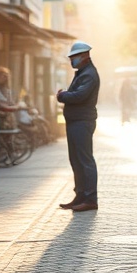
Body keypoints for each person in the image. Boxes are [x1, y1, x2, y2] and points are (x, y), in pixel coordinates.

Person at [56, 42, 100, 212]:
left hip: (82, 122)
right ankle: (80, 195)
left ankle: (90, 198)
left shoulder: (89, 74)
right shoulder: (82, 72)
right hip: (75, 122)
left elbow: (80, 95)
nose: (71, 61)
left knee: (85, 160)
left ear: (84, 56)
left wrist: (62, 95)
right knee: (76, 161)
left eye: (74, 58)